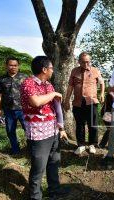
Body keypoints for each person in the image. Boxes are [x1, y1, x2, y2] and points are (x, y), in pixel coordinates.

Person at [21, 56, 69, 200]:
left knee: (54, 163)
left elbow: (57, 108)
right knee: (38, 168)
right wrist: (53, 94)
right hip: (38, 134)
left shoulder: (48, 85)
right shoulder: (28, 83)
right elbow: (35, 102)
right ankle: (35, 196)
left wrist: (61, 128)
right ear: (44, 69)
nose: (52, 71)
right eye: (51, 68)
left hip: (53, 131)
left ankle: (54, 190)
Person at [64, 52, 105, 155]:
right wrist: (66, 101)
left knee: (93, 124)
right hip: (78, 103)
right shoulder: (74, 71)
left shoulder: (95, 70)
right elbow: (70, 87)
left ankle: (92, 144)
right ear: (79, 62)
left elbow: (102, 83)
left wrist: (102, 94)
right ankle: (81, 145)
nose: (86, 64)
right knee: (80, 124)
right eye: (83, 62)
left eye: (88, 62)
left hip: (91, 102)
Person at [0, 57, 27, 154]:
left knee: (28, 130)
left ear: (18, 66)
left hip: (23, 109)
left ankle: (31, 149)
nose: (13, 67)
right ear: (6, 66)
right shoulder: (1, 79)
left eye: (15, 65)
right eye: (11, 65)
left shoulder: (25, 77)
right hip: (8, 109)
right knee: (10, 131)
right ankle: (15, 150)